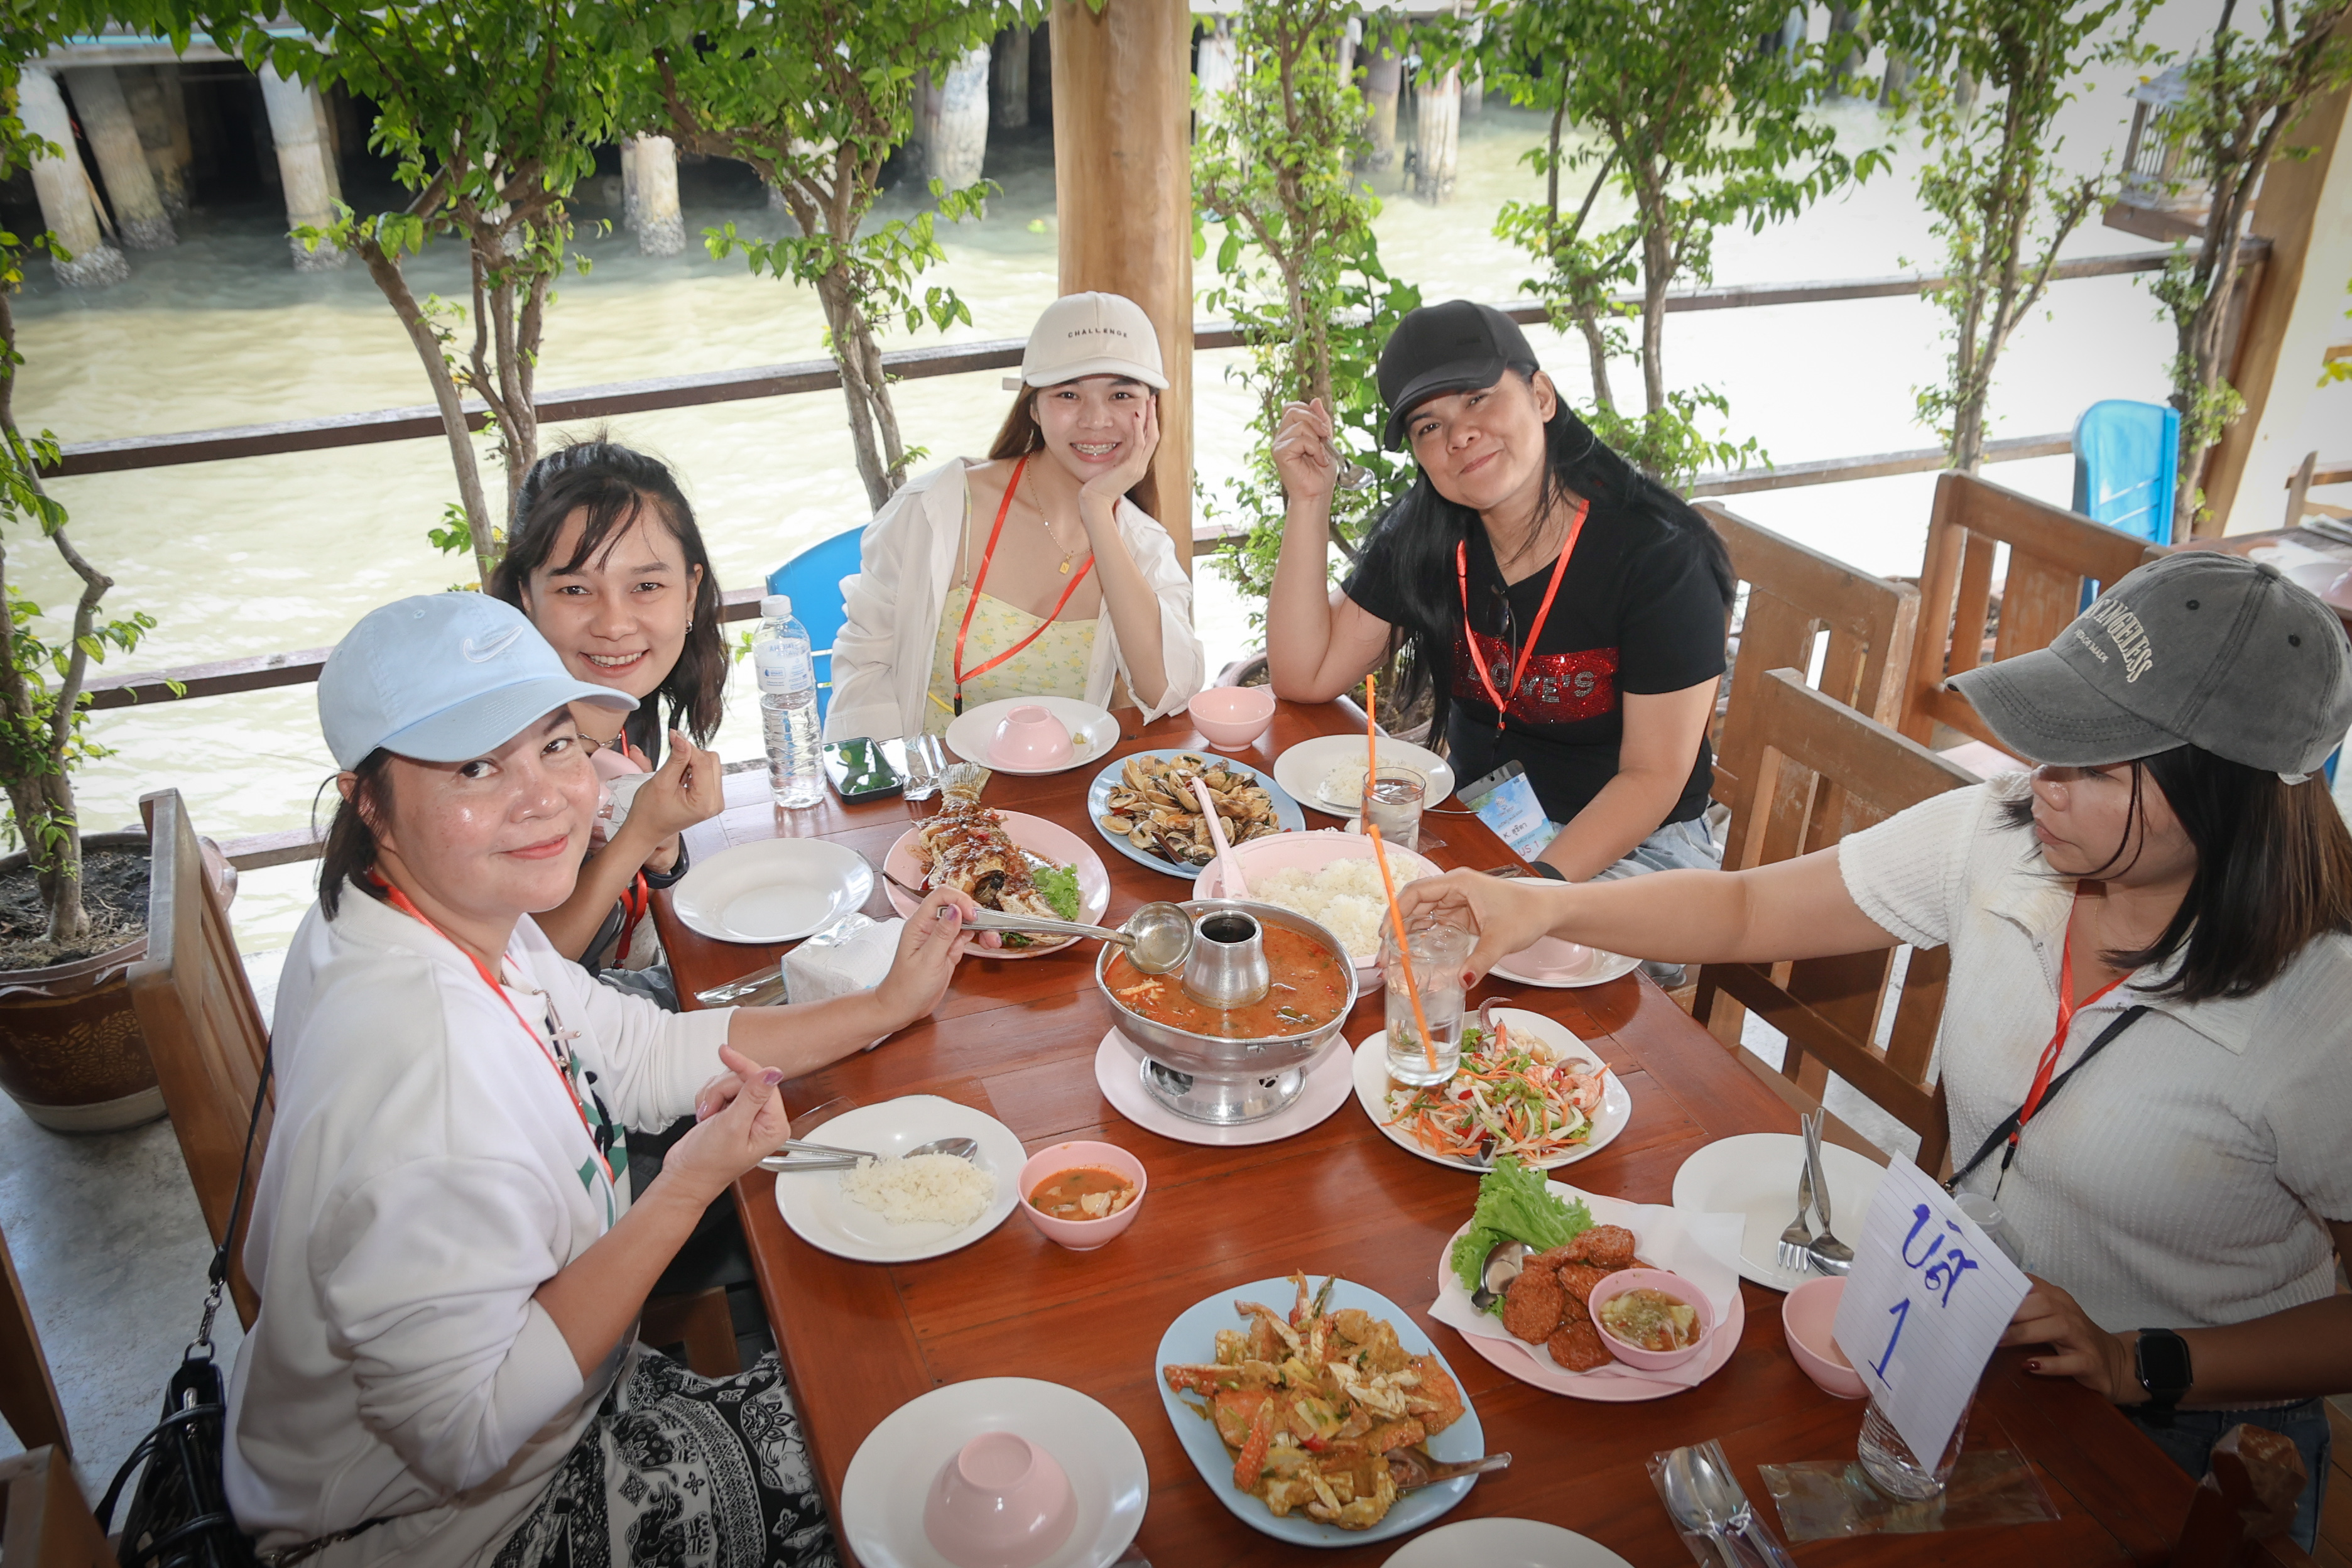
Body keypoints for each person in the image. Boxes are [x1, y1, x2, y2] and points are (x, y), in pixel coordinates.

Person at [1395, 553, 2352, 1549]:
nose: (2043, 782)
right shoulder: (2007, 836)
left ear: (2228, 795)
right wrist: (1542, 905)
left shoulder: (2323, 1011)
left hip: (2181, 1442)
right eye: (2051, 741)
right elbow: (1749, 905)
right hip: (1953, 1345)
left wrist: (2140, 1360)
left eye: (2097, 767)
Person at [227, 593, 992, 1567]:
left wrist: (885, 1005)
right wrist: (687, 1184)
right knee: (908, 1422)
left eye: (556, 745)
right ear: (366, 800)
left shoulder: (412, 910)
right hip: (456, 1529)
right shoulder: (424, 1078)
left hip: (539, 1410)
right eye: (474, 768)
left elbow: (637, 1052)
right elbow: (467, 1433)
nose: (544, 797)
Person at [1264, 300, 1734, 886]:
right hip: (1479, 826)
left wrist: (1528, 893)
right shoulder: (1429, 535)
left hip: (1638, 850)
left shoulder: (1659, 558)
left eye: (1478, 398)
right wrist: (1309, 499)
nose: (1459, 435)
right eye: (1428, 426)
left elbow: (1653, 778)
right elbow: (1304, 676)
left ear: (1542, 396)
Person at [825, 291, 1206, 743]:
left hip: (1061, 785)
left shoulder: (1143, 544)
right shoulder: (937, 510)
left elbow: (1167, 693)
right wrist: (901, 782)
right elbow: (864, 670)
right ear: (1034, 408)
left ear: (1152, 412)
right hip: (927, 782)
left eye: (1121, 395)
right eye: (1068, 394)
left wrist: (1098, 509)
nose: (1096, 419)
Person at [489, 440, 726, 995]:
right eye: (575, 589)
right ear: (526, 595)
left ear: (690, 591)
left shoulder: (622, 710)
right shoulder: (495, 752)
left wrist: (660, 849)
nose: (615, 625)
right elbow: (513, 975)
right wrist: (639, 832)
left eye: (646, 586)